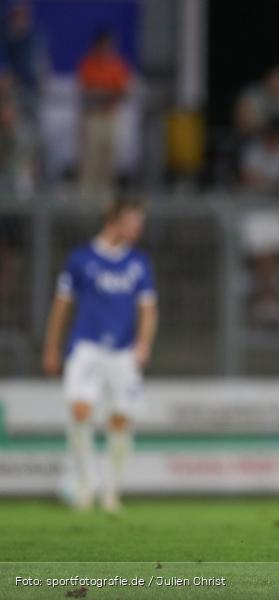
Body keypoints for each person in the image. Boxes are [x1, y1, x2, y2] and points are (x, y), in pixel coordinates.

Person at [42, 197, 157, 513]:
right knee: (80, 411)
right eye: (132, 221)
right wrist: (51, 347)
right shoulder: (81, 259)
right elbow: (61, 306)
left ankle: (111, 490)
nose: (138, 228)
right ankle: (84, 485)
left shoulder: (139, 263)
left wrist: (144, 344)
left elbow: (147, 309)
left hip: (122, 352)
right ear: (113, 221)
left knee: (121, 418)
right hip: (86, 347)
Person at [77, 28, 131, 198]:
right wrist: (104, 94)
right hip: (93, 116)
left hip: (110, 117)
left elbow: (123, 92)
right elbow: (86, 92)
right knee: (90, 158)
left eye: (109, 46)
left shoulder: (118, 65)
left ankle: (106, 196)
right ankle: (85, 197)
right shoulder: (88, 64)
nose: (106, 49)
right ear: (97, 46)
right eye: (103, 46)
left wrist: (106, 95)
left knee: (109, 157)